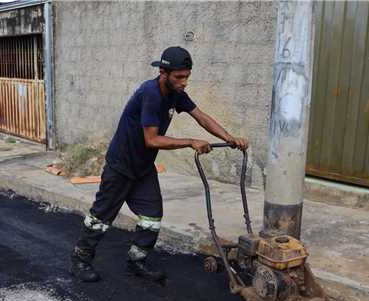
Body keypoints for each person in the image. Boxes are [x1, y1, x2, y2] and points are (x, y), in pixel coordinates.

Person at [70, 46, 249, 283]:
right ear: (163, 73)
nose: (184, 82)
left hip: (143, 168)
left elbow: (201, 116)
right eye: (179, 77)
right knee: (101, 217)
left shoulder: (176, 93)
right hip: (121, 166)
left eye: (187, 76)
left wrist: (229, 138)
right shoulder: (151, 93)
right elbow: (151, 139)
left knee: (152, 216)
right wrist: (190, 142)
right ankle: (80, 259)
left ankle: (136, 261)